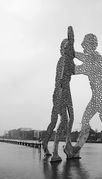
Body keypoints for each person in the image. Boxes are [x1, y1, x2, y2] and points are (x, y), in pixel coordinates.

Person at [42, 26, 75, 162]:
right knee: (61, 121)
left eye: (69, 47)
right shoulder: (62, 61)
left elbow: (74, 70)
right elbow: (61, 79)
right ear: (62, 50)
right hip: (59, 93)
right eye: (65, 47)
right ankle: (54, 150)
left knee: (71, 118)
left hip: (67, 91)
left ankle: (67, 145)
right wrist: (60, 97)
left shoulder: (69, 61)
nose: (67, 49)